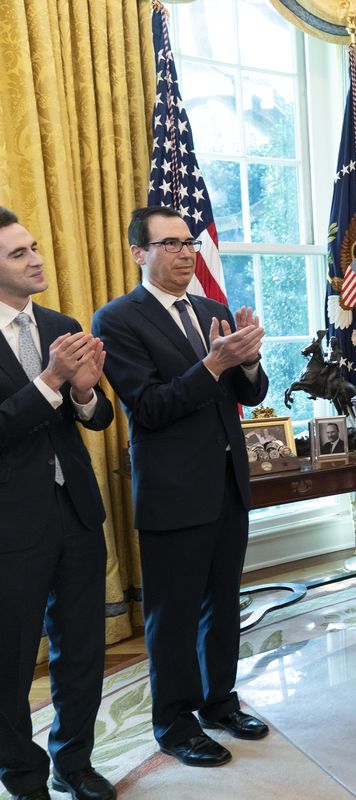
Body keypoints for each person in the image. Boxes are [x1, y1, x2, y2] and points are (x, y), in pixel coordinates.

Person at [92, 206, 270, 768]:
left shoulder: (213, 309)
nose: (185, 252)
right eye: (169, 244)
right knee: (173, 613)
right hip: (173, 489)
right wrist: (215, 365)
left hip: (226, 484)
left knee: (222, 602)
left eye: (189, 242)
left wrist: (248, 363)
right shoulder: (117, 319)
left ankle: (220, 702)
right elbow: (149, 406)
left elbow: (252, 395)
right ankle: (174, 722)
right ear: (139, 253)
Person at [0, 208, 116, 800]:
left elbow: (97, 418)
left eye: (35, 247)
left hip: (76, 514)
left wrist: (84, 390)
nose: (36, 259)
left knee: (83, 650)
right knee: (11, 663)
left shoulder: (61, 324)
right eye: (19, 254)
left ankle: (74, 762)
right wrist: (49, 382)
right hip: (10, 526)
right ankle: (22, 777)